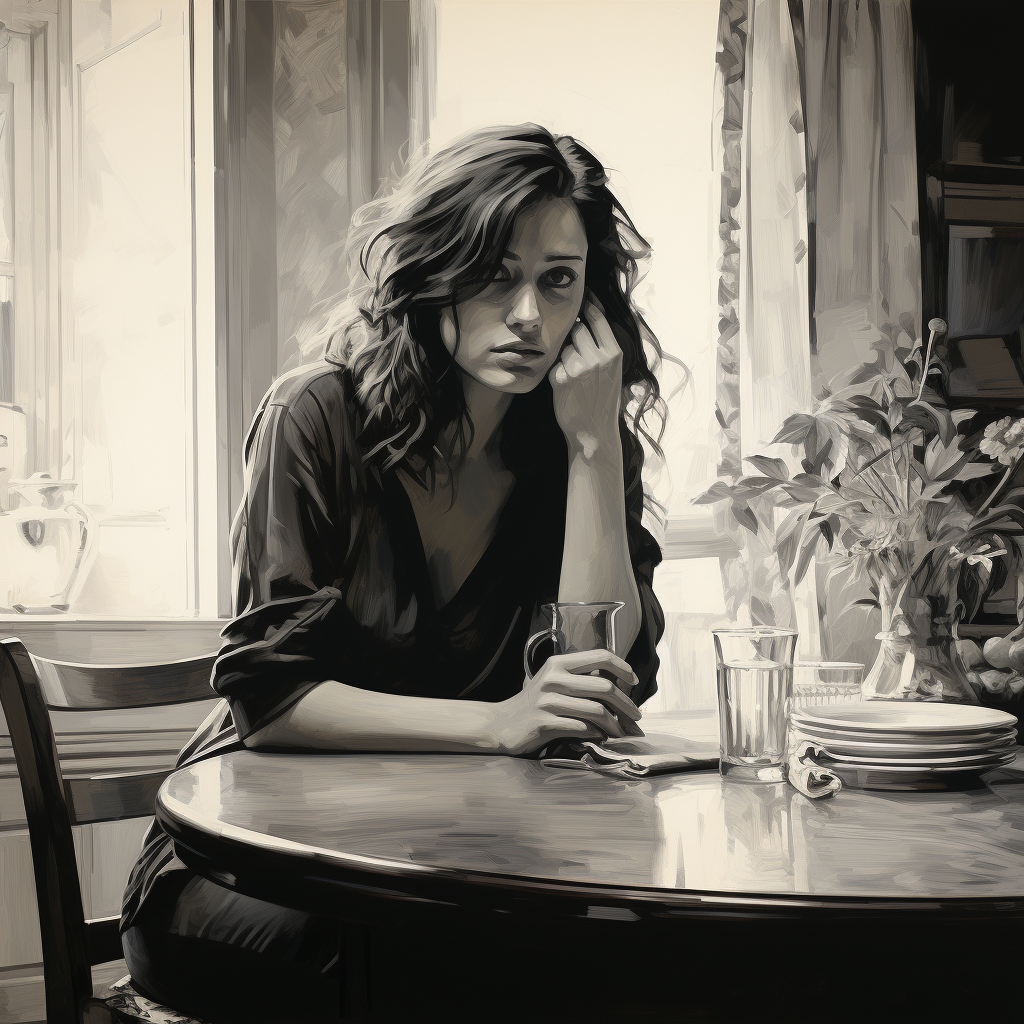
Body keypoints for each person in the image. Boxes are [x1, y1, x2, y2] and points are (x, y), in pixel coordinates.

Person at [120, 123, 667, 1023]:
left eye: (558, 280)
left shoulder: (577, 437)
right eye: (495, 271)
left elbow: (604, 676)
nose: (529, 315)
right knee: (456, 974)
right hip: (249, 868)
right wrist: (499, 723)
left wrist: (594, 446)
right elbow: (273, 700)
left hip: (460, 863)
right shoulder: (316, 417)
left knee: (632, 957)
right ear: (434, 269)